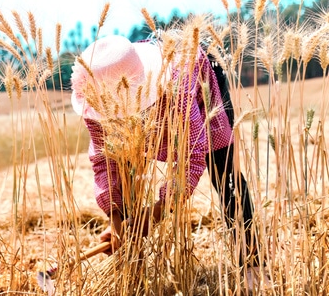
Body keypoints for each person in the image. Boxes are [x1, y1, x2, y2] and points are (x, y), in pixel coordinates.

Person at [70, 33, 268, 290]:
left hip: (201, 87)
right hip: (146, 96)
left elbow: (193, 156)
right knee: (127, 175)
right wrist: (116, 219)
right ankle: (132, 269)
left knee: (225, 173)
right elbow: (105, 162)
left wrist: (154, 213)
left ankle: (252, 263)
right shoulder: (95, 98)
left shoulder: (177, 83)